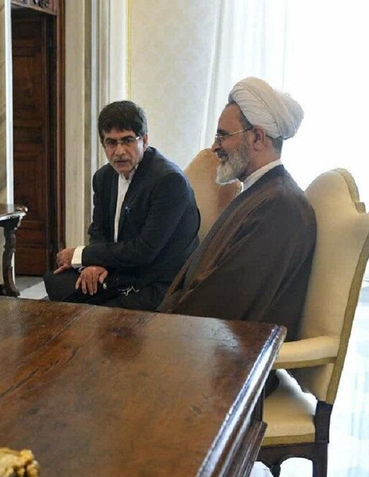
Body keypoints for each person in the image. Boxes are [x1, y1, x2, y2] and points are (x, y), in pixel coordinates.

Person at [158, 77, 316, 342]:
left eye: (223, 135)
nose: (214, 147)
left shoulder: (279, 206)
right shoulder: (259, 192)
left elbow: (224, 301)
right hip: (201, 337)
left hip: (229, 354)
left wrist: (162, 326)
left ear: (257, 137)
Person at [44, 100, 200, 311]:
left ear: (144, 140)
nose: (119, 151)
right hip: (121, 270)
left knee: (90, 312)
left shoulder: (169, 181)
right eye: (111, 142)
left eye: (127, 140)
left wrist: (82, 255)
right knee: (56, 285)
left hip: (158, 280)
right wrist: (95, 264)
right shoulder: (103, 177)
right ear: (103, 144)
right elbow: (99, 229)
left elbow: (144, 250)